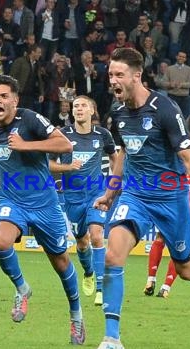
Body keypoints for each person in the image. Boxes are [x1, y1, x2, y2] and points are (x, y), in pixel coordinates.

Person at [87, 48, 190, 349]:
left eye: (118, 75)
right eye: (110, 74)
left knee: (185, 268)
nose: (112, 80)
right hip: (136, 196)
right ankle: (112, 339)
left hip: (172, 198)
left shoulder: (165, 108)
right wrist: (111, 194)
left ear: (136, 76)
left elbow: (188, 157)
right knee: (113, 256)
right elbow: (124, 156)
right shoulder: (119, 112)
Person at [0, 75, 85, 345]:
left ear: (15, 101)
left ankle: (76, 316)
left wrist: (27, 145)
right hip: (11, 199)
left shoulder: (30, 120)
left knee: (60, 263)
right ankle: (22, 289)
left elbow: (65, 145)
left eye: (4, 96)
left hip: (45, 204)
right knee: (1, 241)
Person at [49, 95, 117, 306]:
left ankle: (99, 287)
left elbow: (116, 160)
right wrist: (68, 168)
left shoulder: (103, 135)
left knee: (97, 236)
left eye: (82, 106)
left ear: (92, 110)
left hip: (96, 194)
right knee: (81, 241)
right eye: (75, 106)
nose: (78, 109)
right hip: (72, 197)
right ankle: (88, 272)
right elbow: (48, 164)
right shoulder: (62, 135)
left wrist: (112, 188)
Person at [144, 114, 190, 299]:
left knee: (160, 239)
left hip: (168, 201)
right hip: (188, 207)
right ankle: (166, 287)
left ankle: (150, 278)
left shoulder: (174, 146)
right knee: (181, 248)